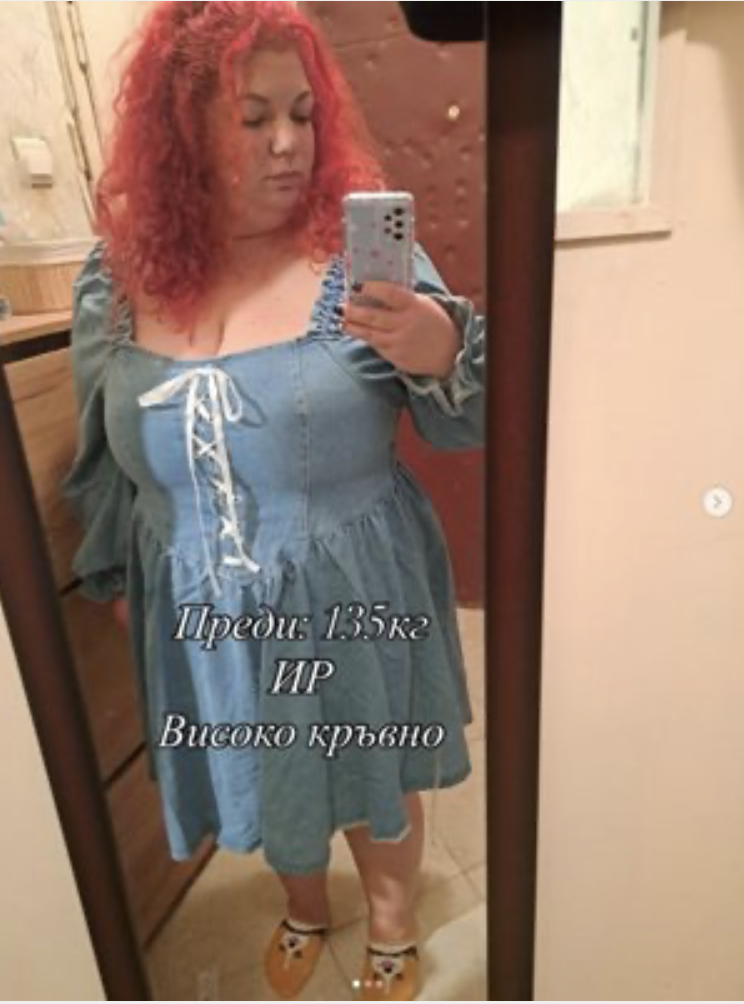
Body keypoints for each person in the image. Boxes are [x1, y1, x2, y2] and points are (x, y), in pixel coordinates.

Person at [60, 3, 485, 1000]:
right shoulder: (117, 280)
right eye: (253, 118)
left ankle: (391, 914)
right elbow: (103, 451)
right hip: (202, 599)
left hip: (351, 578)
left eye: (302, 112)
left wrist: (438, 347)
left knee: (371, 753)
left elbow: (469, 419)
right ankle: (304, 902)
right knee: (266, 763)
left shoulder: (357, 259)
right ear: (181, 132)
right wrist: (120, 570)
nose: (290, 142)